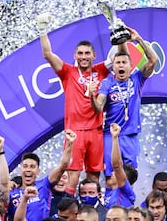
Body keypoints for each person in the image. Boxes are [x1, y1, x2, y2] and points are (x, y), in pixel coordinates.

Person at [36, 12, 129, 195]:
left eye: (87, 53)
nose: (84, 56)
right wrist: (42, 30)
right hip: (75, 133)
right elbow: (47, 53)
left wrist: (117, 29)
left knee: (93, 178)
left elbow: (122, 54)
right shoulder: (67, 72)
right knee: (73, 177)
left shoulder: (101, 70)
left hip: (96, 131)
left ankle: (91, 211)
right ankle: (71, 209)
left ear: (94, 55)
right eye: (80, 53)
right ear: (75, 55)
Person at [90, 27, 157, 188]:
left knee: (129, 176)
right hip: (111, 135)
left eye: (124, 62)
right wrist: (92, 97)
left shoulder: (137, 79)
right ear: (113, 66)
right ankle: (111, 208)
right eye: (117, 62)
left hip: (130, 136)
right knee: (110, 176)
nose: (121, 65)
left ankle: (126, 208)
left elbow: (153, 60)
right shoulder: (107, 83)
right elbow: (99, 107)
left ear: (130, 65)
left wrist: (138, 39)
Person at [9, 129, 75, 221]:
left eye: (32, 166)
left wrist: (69, 144)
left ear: (38, 171)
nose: (28, 169)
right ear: (21, 170)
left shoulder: (44, 184)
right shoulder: (11, 192)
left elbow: (63, 166)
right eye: (25, 166)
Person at [104, 123, 137, 209]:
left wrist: (115, 138)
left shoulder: (125, 192)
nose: (111, 173)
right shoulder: (110, 192)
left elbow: (117, 166)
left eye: (115, 173)